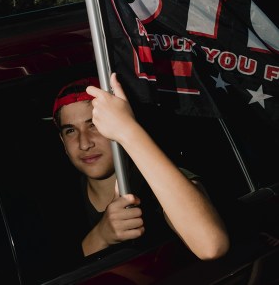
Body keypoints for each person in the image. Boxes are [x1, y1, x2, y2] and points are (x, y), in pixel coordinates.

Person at [52, 73, 229, 259]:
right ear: (62, 141)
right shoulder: (58, 202)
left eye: (94, 124)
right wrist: (101, 236)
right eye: (70, 130)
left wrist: (128, 130)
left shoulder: (155, 180)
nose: (84, 143)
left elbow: (212, 245)